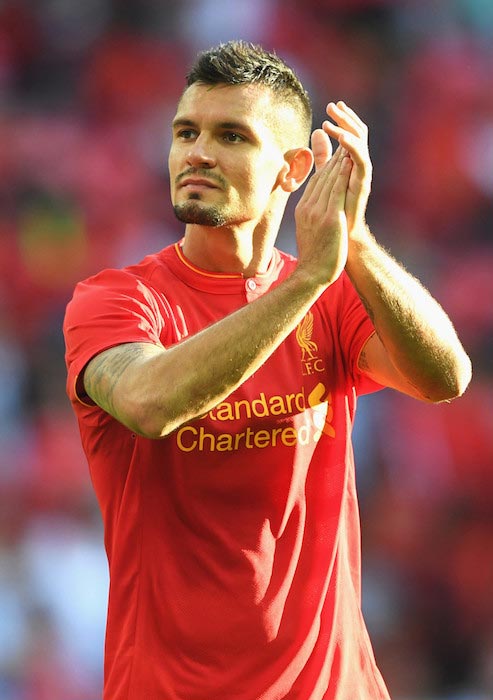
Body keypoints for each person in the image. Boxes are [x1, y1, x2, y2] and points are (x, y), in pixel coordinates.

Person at [63, 40, 472, 700]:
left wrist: (355, 241)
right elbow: (147, 401)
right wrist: (309, 276)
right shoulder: (116, 299)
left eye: (230, 135)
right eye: (185, 132)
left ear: (293, 169)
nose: (196, 152)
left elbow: (444, 377)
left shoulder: (332, 296)